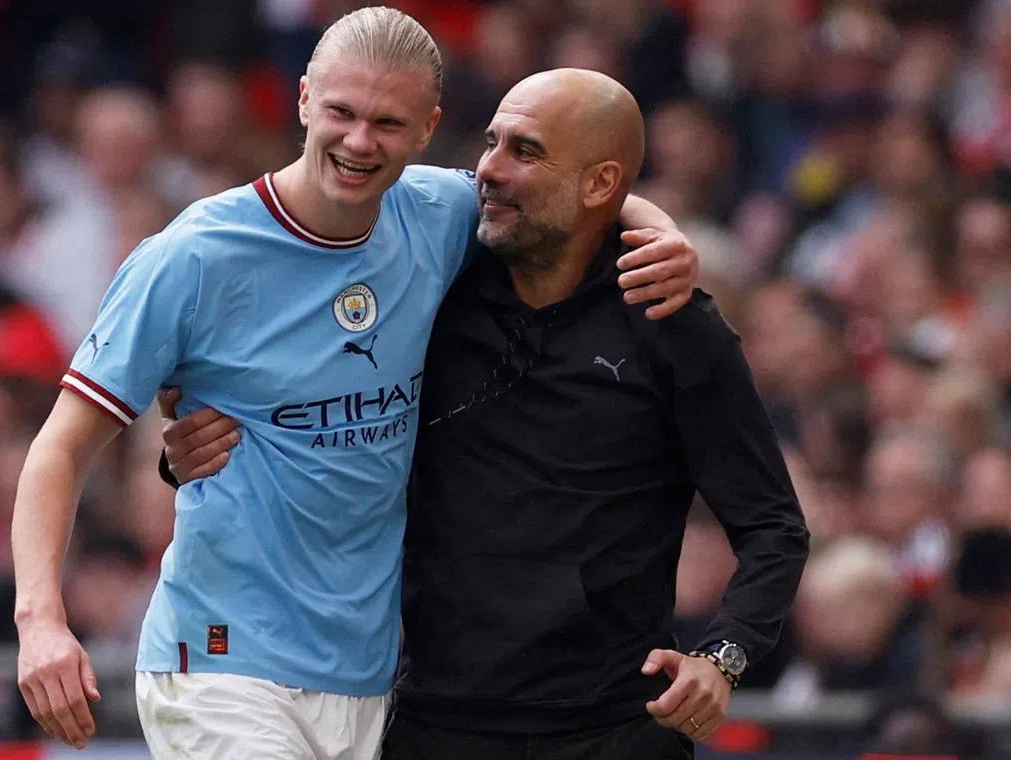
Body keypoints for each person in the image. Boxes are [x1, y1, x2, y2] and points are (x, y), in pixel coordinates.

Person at [11, 7, 700, 760]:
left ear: (429, 127)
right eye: (341, 111)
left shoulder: (438, 214)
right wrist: (41, 621)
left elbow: (571, 191)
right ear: (304, 99)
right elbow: (60, 447)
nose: (360, 141)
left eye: (388, 123)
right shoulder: (194, 257)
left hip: (367, 676)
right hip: (220, 660)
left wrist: (662, 233)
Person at [164, 69, 811, 759]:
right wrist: (197, 454)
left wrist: (724, 658)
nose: (488, 170)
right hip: (437, 724)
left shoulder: (670, 320)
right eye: (493, 142)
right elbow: (315, 421)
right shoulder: (430, 290)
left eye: (524, 152)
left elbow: (773, 527)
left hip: (614, 730)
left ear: (599, 185)